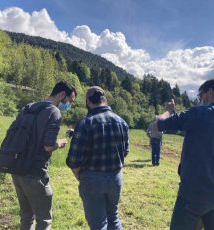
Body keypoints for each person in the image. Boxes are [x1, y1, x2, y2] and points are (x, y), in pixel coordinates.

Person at [152, 78, 214, 230]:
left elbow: (159, 124)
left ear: (210, 93)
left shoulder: (200, 113)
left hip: (192, 194)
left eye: (200, 97)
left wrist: (168, 111)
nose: (200, 101)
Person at [12, 81, 77, 230]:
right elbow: (48, 146)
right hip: (35, 172)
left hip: (16, 168)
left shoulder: (29, 107)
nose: (69, 105)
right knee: (44, 220)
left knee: (26, 215)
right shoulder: (54, 112)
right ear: (61, 95)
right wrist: (59, 143)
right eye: (69, 101)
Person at [66, 86, 129, 230]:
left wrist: (79, 176)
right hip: (115, 178)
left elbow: (73, 160)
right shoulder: (122, 122)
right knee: (113, 217)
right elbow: (125, 152)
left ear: (88, 101)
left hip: (92, 179)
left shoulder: (85, 123)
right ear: (104, 99)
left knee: (98, 224)